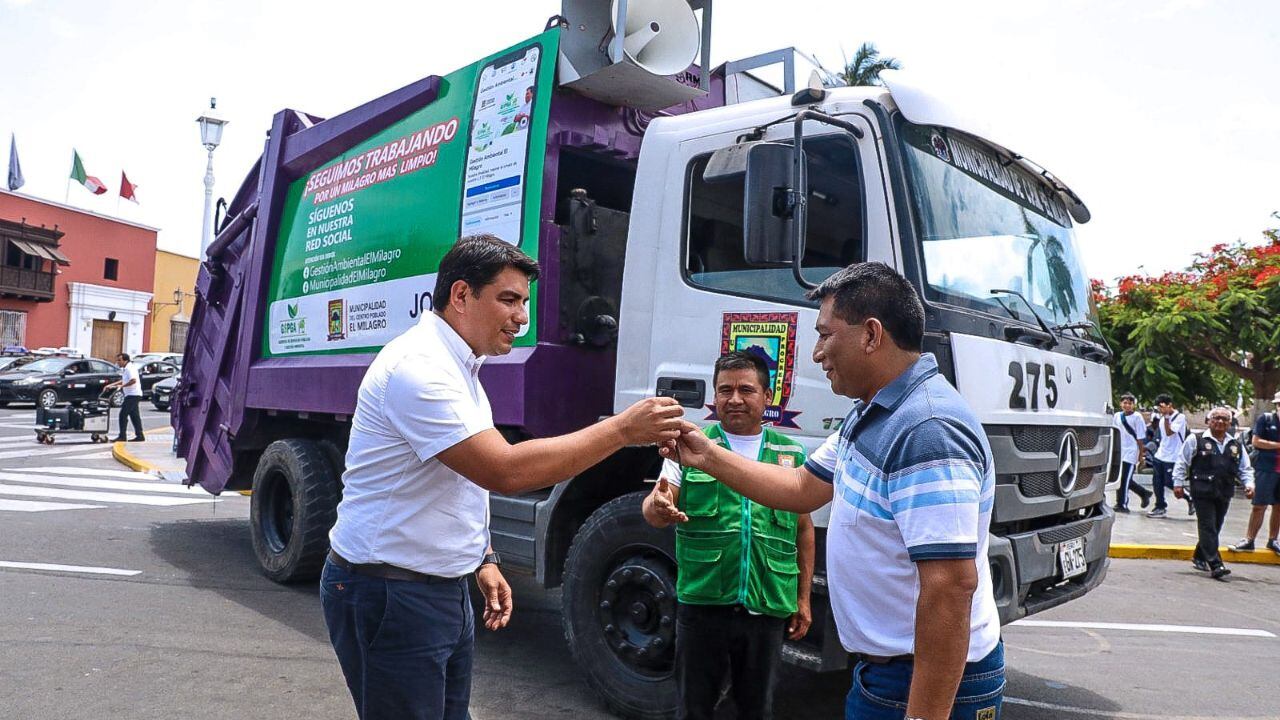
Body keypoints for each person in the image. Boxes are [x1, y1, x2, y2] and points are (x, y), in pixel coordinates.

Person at [321, 235, 685, 720]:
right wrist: (621, 430)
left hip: (437, 589)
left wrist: (484, 556)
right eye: (509, 299)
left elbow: (460, 481)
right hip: (392, 593)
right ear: (461, 296)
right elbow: (503, 469)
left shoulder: (461, 365)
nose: (522, 317)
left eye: (525, 302)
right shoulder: (419, 369)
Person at [664, 262, 1003, 720]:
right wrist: (705, 454)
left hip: (915, 680)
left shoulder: (926, 428)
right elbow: (803, 486)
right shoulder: (872, 414)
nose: (817, 353)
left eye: (826, 335)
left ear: (870, 335)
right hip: (887, 672)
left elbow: (950, 587)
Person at [643, 351, 815, 720]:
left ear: (767, 397)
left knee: (757, 711)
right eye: (725, 390)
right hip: (703, 605)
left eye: (745, 390)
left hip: (766, 606)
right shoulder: (688, 446)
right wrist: (656, 507)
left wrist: (803, 599)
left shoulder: (791, 454)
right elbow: (658, 502)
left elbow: (803, 529)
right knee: (694, 710)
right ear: (714, 398)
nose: (734, 399)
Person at [1172, 406, 1255, 580]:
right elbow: (1182, 461)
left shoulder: (1235, 444)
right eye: (1216, 418)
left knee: (1216, 526)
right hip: (1202, 490)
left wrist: (1249, 484)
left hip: (1224, 490)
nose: (1220, 422)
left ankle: (1200, 556)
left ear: (1229, 423)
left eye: (1224, 419)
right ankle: (1216, 564)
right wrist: (1178, 483)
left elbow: (1244, 468)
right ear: (1209, 421)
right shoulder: (1196, 439)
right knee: (1207, 525)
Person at [1231, 393, 1280, 556]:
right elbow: (1256, 441)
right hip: (1266, 468)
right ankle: (1249, 539)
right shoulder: (1266, 420)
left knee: (1278, 507)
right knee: (1259, 506)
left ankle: (1273, 539)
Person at [1147, 393, 1189, 518]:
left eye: (1162, 406)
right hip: (1161, 455)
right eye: (1159, 408)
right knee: (1157, 481)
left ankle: (1188, 496)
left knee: (1169, 481)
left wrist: (1166, 417)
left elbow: (1170, 432)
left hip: (1174, 456)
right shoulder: (1161, 419)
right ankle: (1160, 505)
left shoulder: (1180, 417)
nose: (1160, 410)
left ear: (1170, 405)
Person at [1112, 393, 1152, 513]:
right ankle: (1143, 493)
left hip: (1131, 451)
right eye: (1125, 403)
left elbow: (1140, 438)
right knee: (1121, 478)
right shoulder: (1117, 416)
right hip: (1120, 451)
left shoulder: (1137, 417)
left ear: (1133, 405)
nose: (1127, 405)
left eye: (1129, 403)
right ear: (1121, 404)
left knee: (1125, 478)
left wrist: (1141, 456)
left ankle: (1122, 504)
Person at [103, 353, 144, 442]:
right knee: (134, 416)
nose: (118, 362)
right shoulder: (126, 369)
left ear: (125, 360)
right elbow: (124, 380)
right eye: (117, 360)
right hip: (131, 394)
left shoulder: (130, 368)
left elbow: (133, 380)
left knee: (123, 415)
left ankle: (122, 436)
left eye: (119, 360)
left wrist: (122, 386)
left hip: (133, 395)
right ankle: (140, 435)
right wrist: (111, 385)